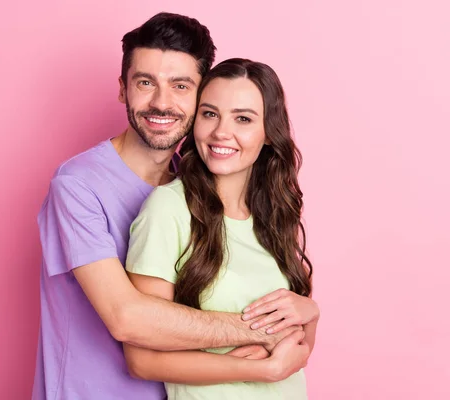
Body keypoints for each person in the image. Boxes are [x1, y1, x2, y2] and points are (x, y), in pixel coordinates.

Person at [32, 13, 308, 400]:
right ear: (122, 89)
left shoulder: (195, 188)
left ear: (202, 97)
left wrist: (307, 312)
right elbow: (128, 319)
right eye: (145, 83)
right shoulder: (77, 187)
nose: (161, 103)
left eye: (181, 86)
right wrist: (265, 330)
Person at [124, 58, 320, 399]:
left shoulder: (275, 217)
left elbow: (295, 354)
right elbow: (142, 359)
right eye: (210, 114)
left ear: (269, 134)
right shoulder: (168, 209)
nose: (220, 132)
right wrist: (259, 369)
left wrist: (311, 315)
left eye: (243, 119)